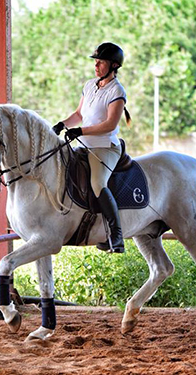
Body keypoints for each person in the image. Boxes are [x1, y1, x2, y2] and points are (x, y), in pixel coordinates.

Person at [52, 42, 127, 254]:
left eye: (100, 62)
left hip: (105, 146)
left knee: (97, 183)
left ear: (113, 65)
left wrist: (81, 132)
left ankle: (116, 235)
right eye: (95, 61)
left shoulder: (117, 91)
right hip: (84, 145)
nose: (96, 65)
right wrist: (62, 124)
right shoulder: (90, 85)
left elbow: (110, 125)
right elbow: (79, 114)